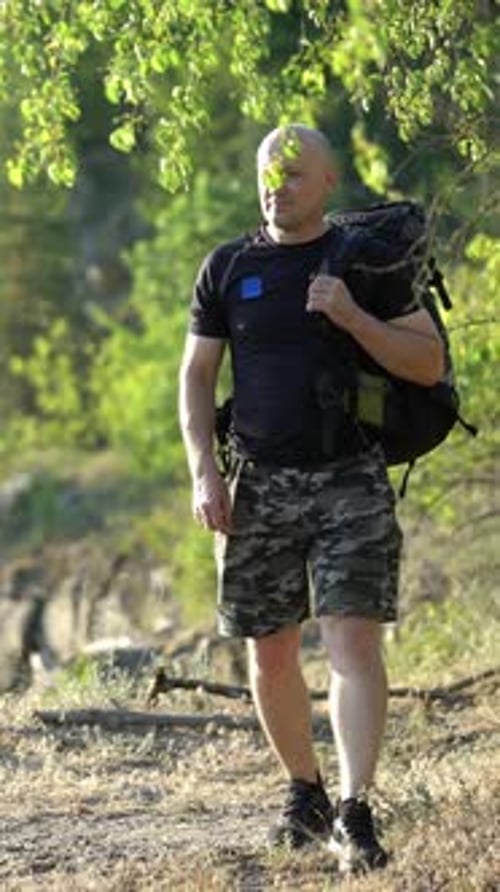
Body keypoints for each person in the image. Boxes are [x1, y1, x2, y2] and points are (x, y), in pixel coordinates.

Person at [178, 124, 444, 874]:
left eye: (295, 174)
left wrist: (353, 315)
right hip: (258, 482)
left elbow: (428, 364)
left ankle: (356, 809)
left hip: (349, 477)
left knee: (353, 643)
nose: (278, 185)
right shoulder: (227, 267)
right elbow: (197, 376)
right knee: (269, 652)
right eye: (269, 172)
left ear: (328, 182)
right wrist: (205, 471)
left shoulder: (365, 261)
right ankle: (306, 792)